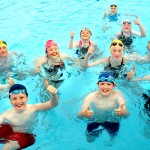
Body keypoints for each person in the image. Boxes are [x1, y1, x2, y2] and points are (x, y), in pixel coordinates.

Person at [0, 81, 58, 150]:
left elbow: (52, 104)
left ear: (27, 98)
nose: (18, 102)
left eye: (21, 97)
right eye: (14, 98)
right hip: (12, 132)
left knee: (7, 148)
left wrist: (54, 94)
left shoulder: (34, 108)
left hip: (26, 136)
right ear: (10, 101)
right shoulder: (6, 114)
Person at [78, 72, 128, 142]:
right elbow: (78, 116)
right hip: (96, 120)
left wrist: (123, 112)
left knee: (112, 139)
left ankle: (110, 137)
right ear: (98, 85)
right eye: (102, 84)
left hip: (112, 121)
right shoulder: (91, 96)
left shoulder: (117, 95)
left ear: (114, 86)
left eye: (109, 84)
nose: (105, 87)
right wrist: (83, 113)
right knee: (89, 140)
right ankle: (98, 132)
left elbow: (126, 115)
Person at [83, 39, 149, 79]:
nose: (117, 54)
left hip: (122, 77)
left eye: (119, 51)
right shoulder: (105, 60)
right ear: (110, 51)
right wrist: (88, 54)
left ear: (122, 51)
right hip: (108, 78)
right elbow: (86, 66)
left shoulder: (127, 59)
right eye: (114, 51)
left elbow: (146, 60)